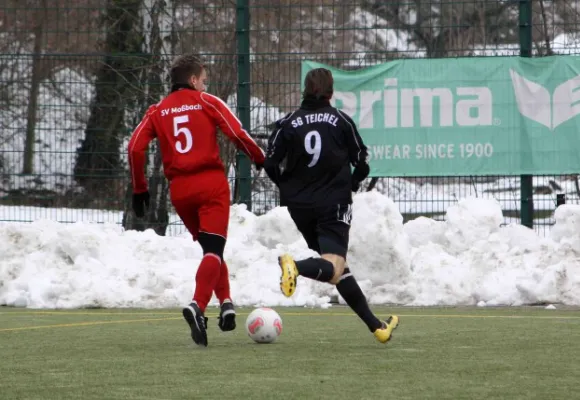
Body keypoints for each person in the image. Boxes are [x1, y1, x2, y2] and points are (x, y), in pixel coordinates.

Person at [127, 54, 265, 347]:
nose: (205, 85)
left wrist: (140, 189)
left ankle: (226, 301)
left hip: (180, 191)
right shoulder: (207, 102)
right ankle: (197, 306)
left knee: (211, 250)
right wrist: (261, 158)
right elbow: (237, 133)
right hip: (211, 184)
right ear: (193, 80)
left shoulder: (157, 110)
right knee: (214, 250)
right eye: (203, 80)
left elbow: (135, 148)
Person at [263, 68, 399, 344]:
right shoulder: (340, 120)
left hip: (300, 207)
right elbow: (362, 161)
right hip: (332, 203)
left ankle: (377, 326)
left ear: (305, 89)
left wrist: (287, 186)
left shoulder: (288, 123)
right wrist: (353, 182)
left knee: (336, 267)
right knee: (333, 266)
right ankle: (296, 266)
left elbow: (269, 162)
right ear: (331, 91)